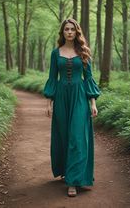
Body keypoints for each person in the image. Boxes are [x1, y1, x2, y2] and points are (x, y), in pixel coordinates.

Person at [43, 18, 100, 197]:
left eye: (72, 29)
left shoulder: (83, 52)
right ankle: (66, 170)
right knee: (63, 135)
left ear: (77, 32)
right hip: (61, 98)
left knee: (77, 137)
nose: (69, 32)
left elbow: (88, 78)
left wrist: (93, 103)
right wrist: (49, 103)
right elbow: (52, 78)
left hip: (80, 98)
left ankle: (74, 181)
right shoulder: (55, 53)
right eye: (66, 29)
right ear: (63, 32)